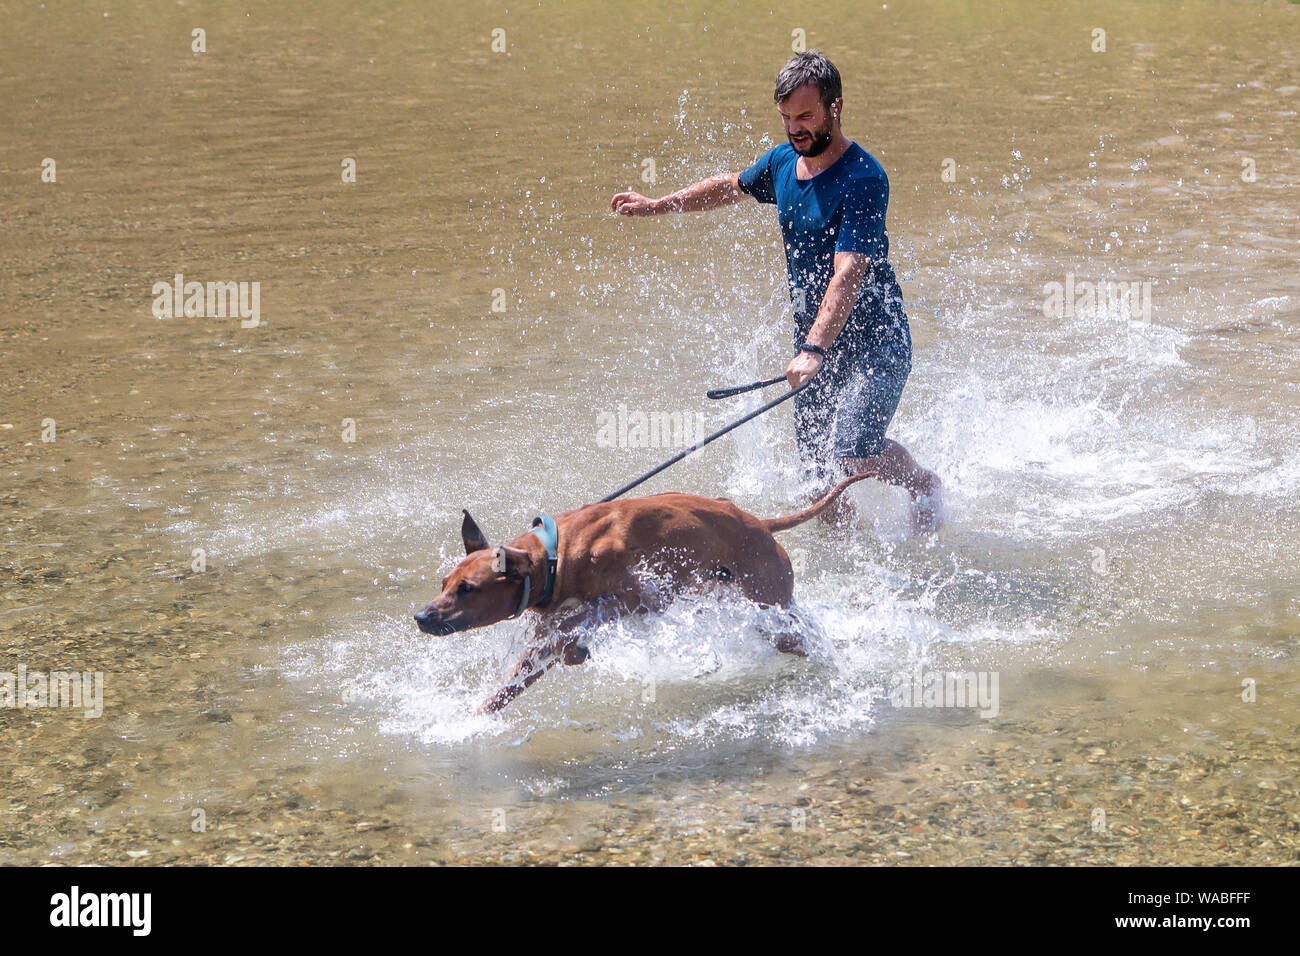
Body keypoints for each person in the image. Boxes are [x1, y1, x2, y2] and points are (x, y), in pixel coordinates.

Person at [610, 50, 942, 534]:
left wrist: (813, 348)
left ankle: (921, 483)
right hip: (815, 341)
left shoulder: (864, 179)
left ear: (836, 107)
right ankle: (846, 557)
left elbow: (847, 271)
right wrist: (657, 205)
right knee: (813, 474)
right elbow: (729, 187)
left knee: (852, 450)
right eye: (787, 117)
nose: (795, 128)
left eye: (806, 116)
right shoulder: (784, 162)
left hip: (876, 341)